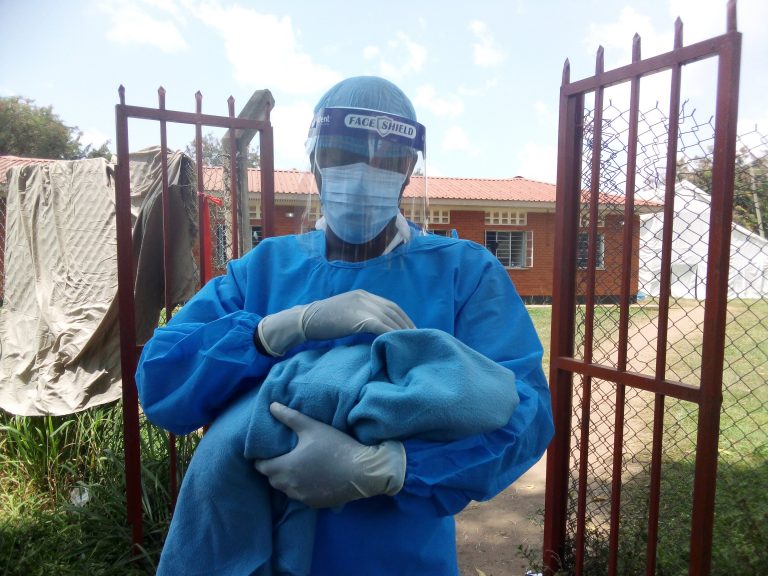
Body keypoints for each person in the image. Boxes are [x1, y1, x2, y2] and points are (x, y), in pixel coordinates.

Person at [136, 75, 553, 575]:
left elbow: (524, 413)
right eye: (342, 154)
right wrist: (273, 331)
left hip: (399, 558)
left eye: (386, 158)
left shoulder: (464, 273)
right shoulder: (264, 270)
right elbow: (161, 382)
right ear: (315, 163)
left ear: (408, 171)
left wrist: (389, 468)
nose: (362, 173)